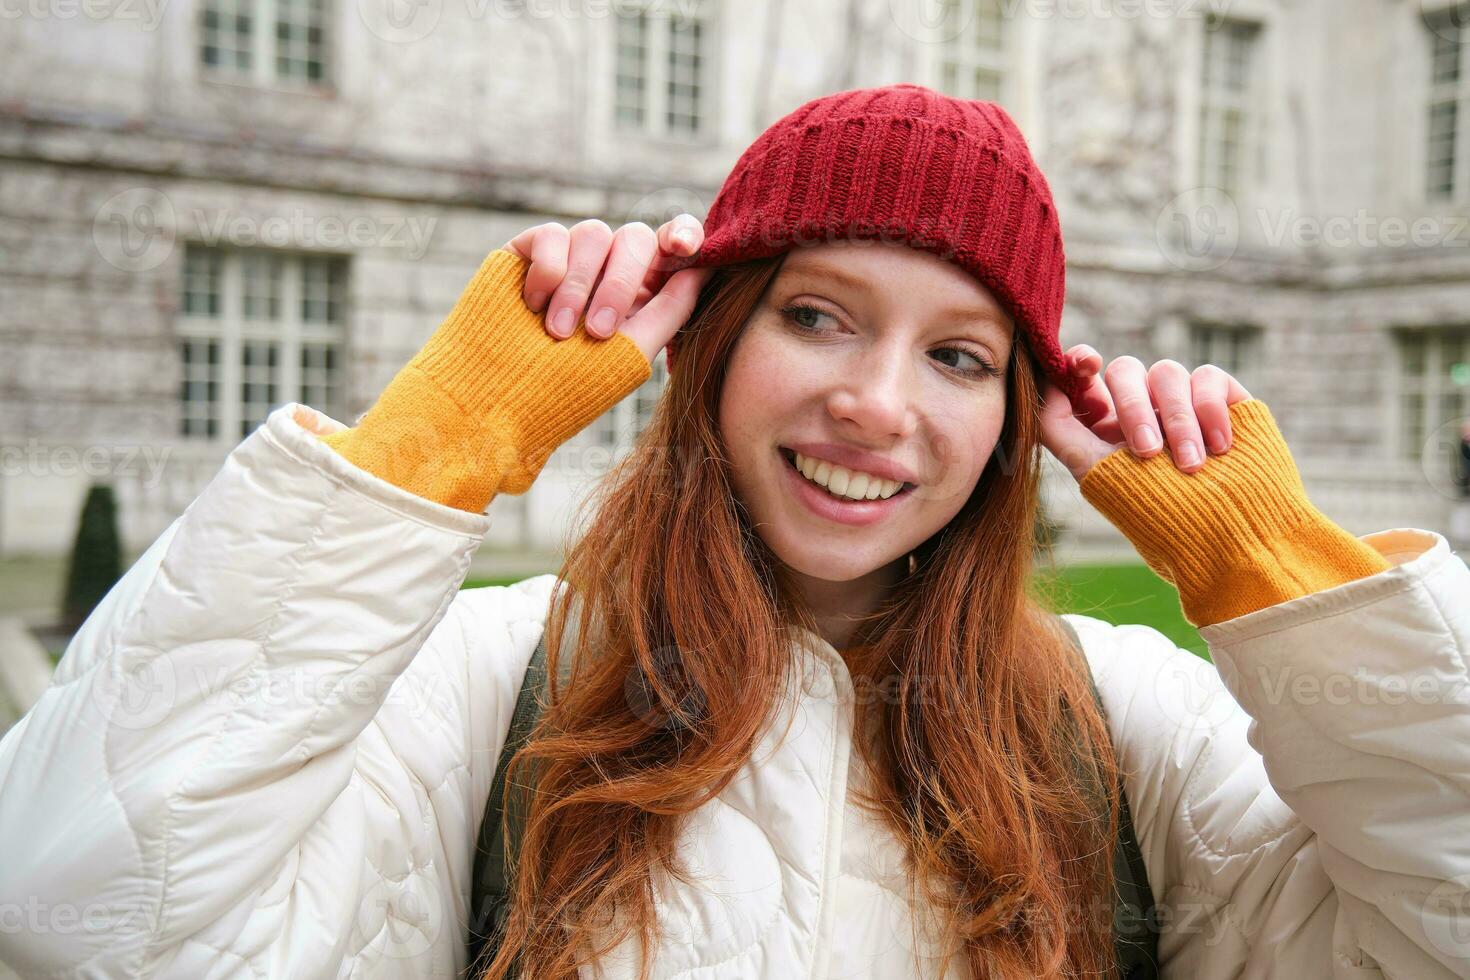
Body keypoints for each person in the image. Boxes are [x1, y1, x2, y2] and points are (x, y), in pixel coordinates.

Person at [1, 84, 1466, 980]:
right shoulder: (488, 677)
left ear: (1020, 417)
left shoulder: (1124, 718)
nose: (877, 404)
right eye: (816, 316)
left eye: (959, 356)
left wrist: (1282, 584)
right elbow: (84, 907)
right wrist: (431, 447)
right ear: (707, 345)